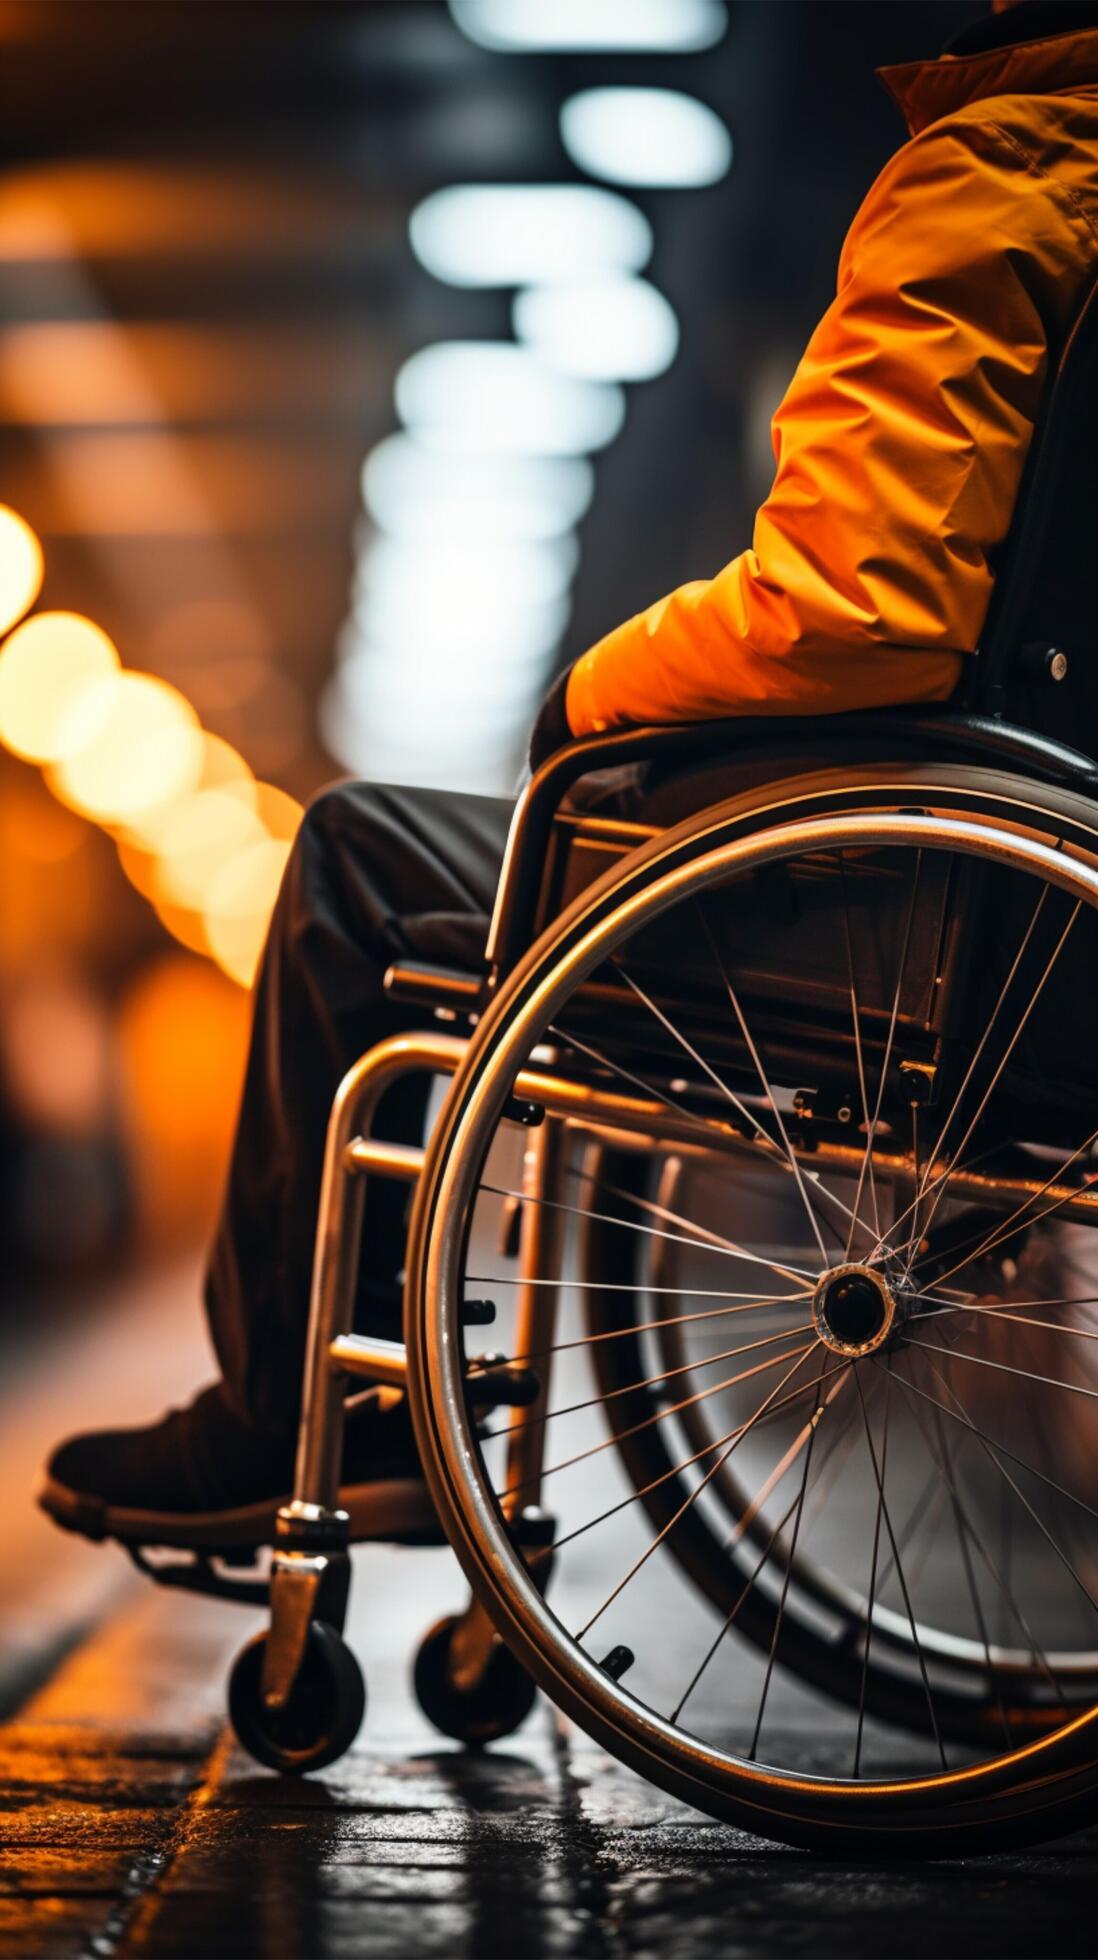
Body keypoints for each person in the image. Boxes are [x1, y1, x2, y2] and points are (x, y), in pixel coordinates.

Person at [39, 0, 1098, 1549]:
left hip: (914, 912)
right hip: (1010, 885)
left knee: (355, 851)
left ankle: (299, 1416)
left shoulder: (999, 172)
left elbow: (850, 611)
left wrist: (591, 692)